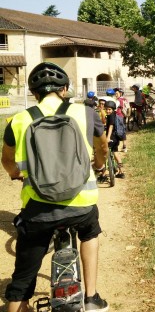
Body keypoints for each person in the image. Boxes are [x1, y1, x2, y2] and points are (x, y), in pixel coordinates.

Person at [1, 62, 109, 312]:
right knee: (90, 232)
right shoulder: (86, 113)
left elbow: (7, 160)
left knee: (22, 276)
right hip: (81, 206)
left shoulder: (18, 120)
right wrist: (99, 165)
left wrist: (15, 173)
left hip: (38, 210)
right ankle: (91, 297)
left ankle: (19, 300)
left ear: (34, 93)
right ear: (65, 89)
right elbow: (103, 148)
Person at [104, 100, 125, 179]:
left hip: (111, 137)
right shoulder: (115, 114)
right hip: (116, 137)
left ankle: (103, 174)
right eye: (106, 109)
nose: (108, 111)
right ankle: (121, 172)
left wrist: (108, 137)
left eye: (109, 109)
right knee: (115, 153)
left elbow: (111, 126)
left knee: (104, 152)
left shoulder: (111, 116)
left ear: (113, 109)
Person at [113, 88, 128, 153]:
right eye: (115, 94)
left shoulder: (119, 100)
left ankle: (118, 146)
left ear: (120, 93)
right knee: (123, 130)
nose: (115, 95)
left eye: (117, 93)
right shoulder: (124, 99)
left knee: (118, 131)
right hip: (123, 116)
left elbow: (115, 108)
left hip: (119, 116)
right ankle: (124, 146)